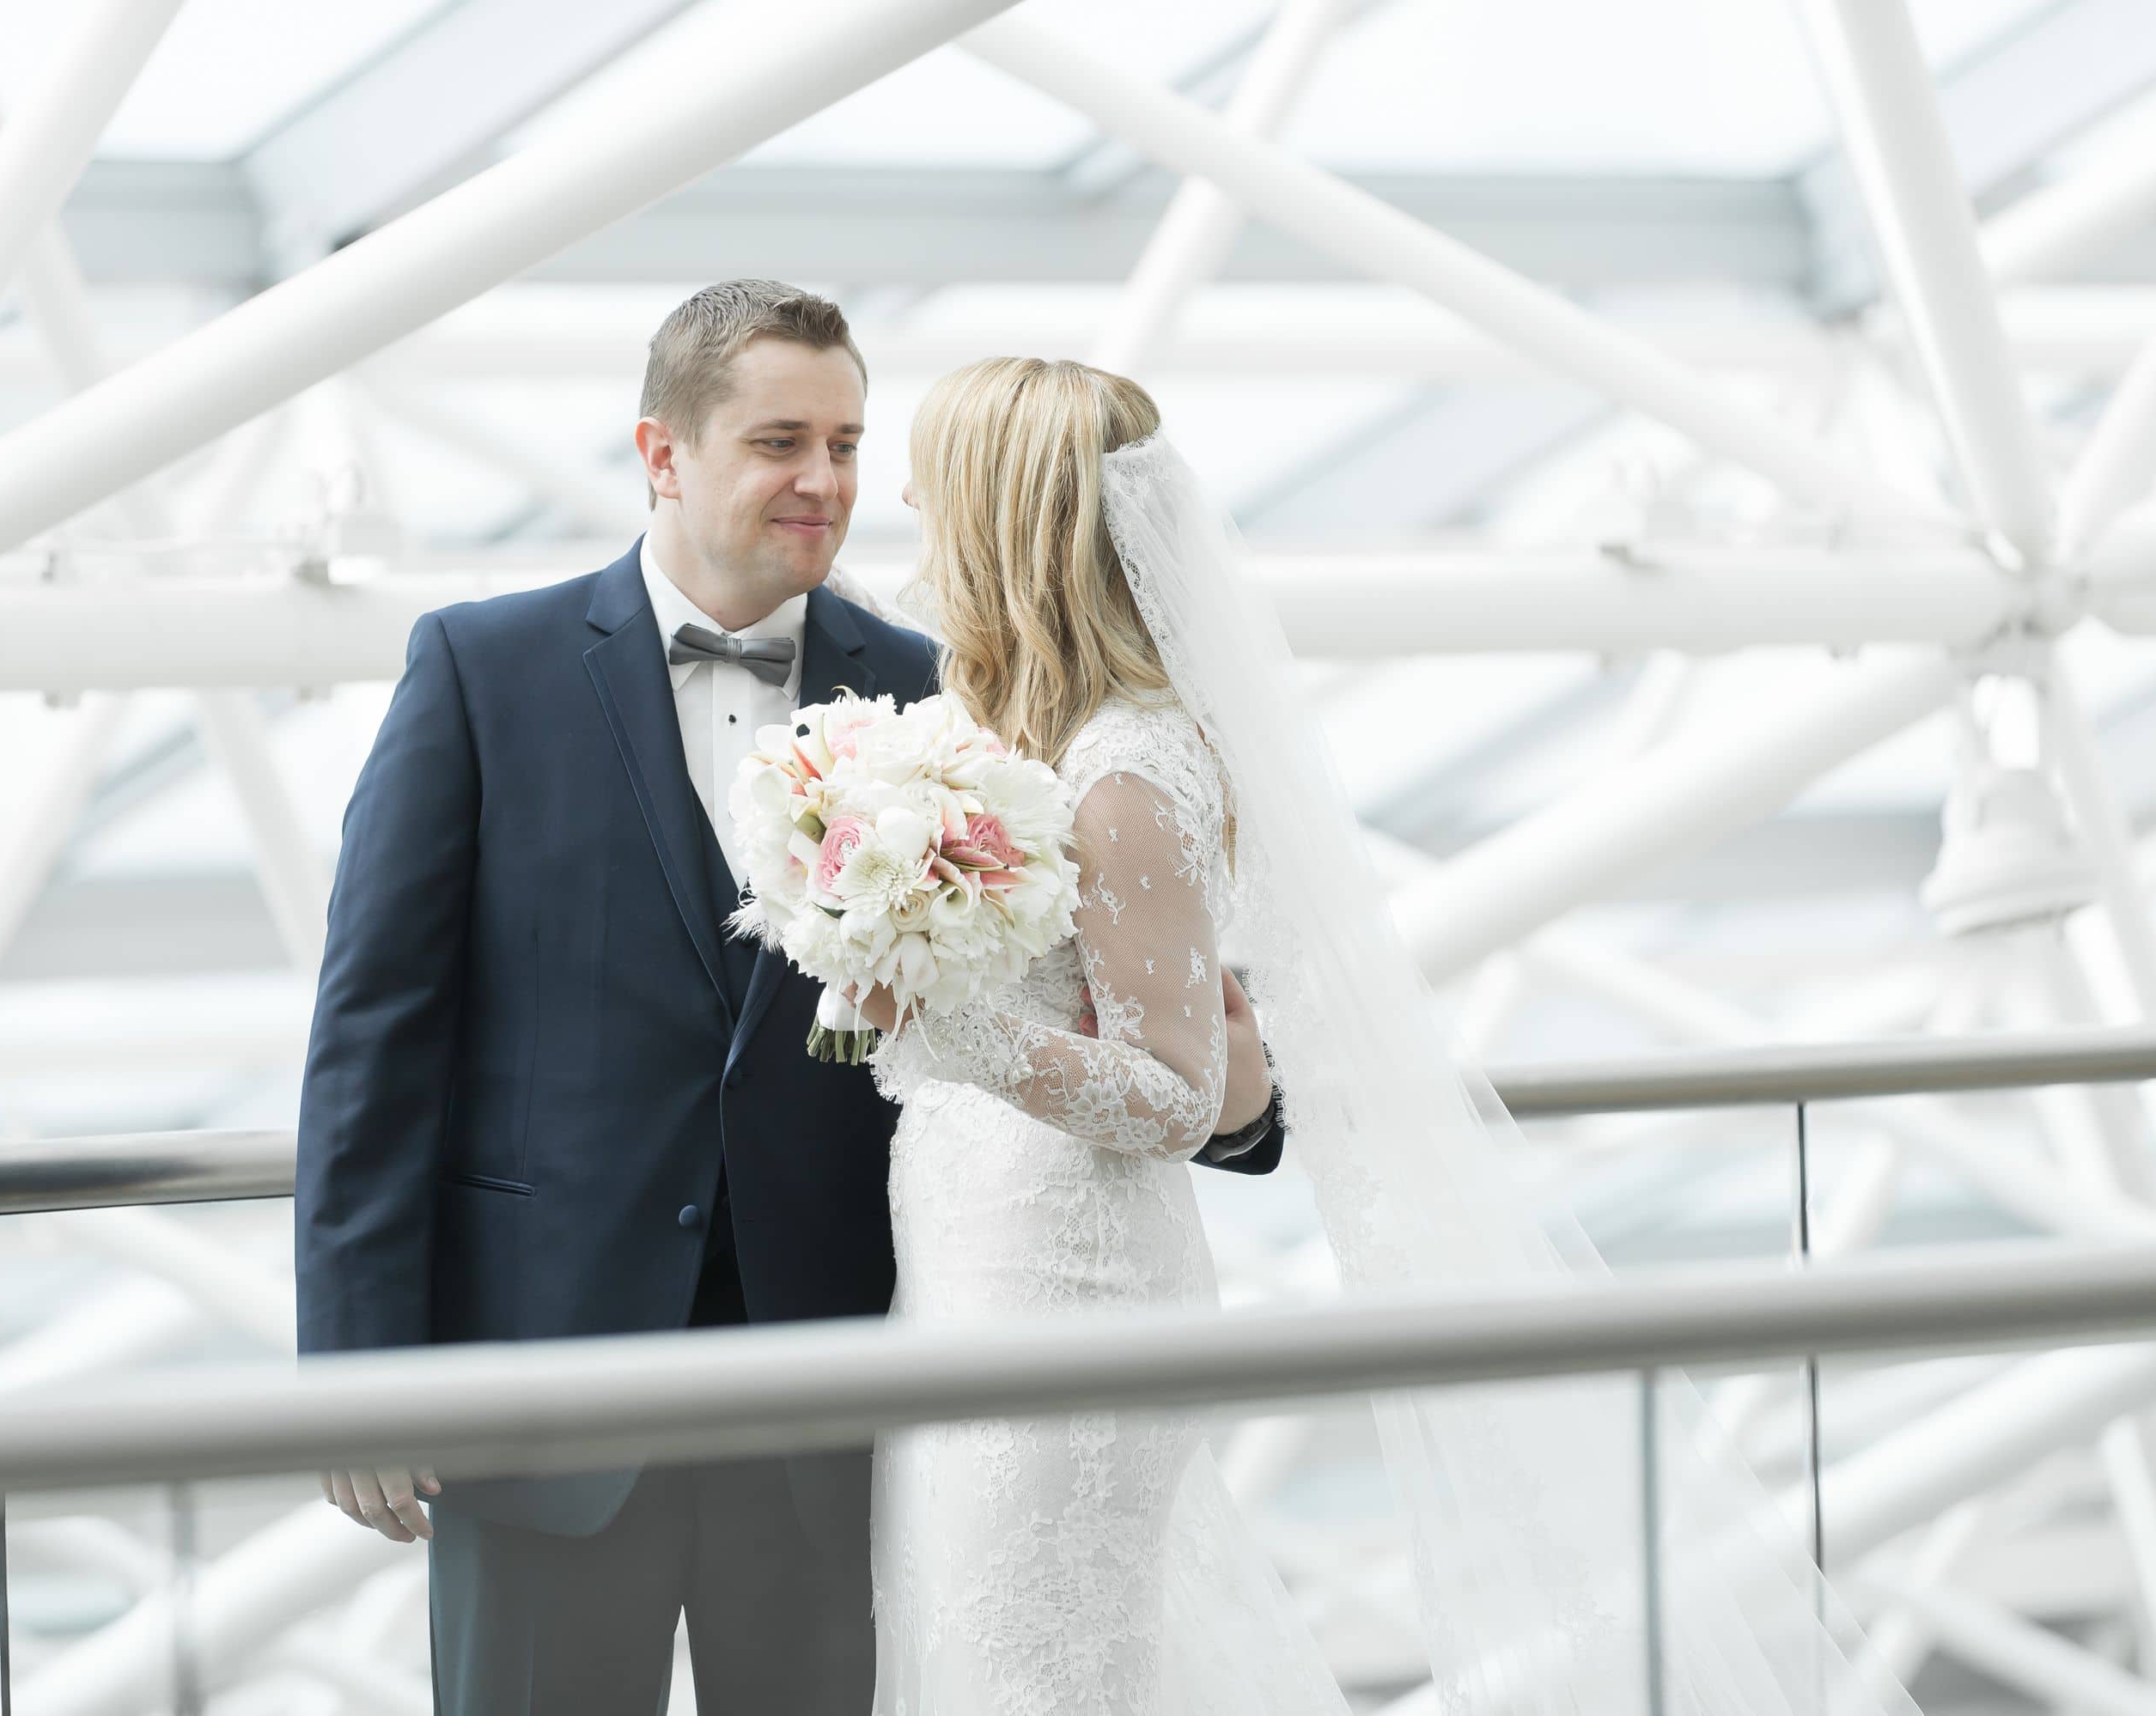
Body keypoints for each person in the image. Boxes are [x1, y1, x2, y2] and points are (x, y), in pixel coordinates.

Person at [856, 356, 1924, 1713]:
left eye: (927, 478)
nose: (900, 498)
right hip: (972, 1264)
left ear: (1005, 513)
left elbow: (1183, 1096)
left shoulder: (1125, 767)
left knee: (1037, 1672)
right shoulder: (1026, 739)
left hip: (1068, 1292)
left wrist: (950, 1035)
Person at [292, 286, 1282, 1716]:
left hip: (842, 1396)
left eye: (846, 441)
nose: (822, 480)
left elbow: (1158, 998)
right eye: (778, 441)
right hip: (549, 1388)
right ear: (662, 452)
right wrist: (358, 1364)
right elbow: (371, 1039)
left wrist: (1245, 1115)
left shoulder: (957, 699)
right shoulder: (480, 671)